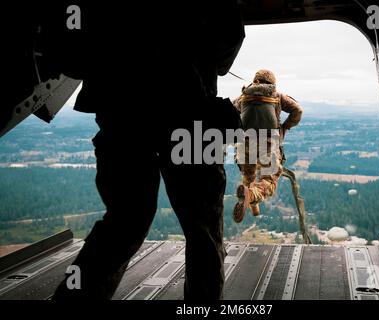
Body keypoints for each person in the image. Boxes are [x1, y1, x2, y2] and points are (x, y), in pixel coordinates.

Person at [52, 1, 245, 300]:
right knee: (203, 228)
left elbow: (70, 55)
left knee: (124, 222)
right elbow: (230, 36)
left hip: (123, 116)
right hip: (191, 118)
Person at [232, 69, 303, 223]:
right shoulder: (277, 95)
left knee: (248, 176)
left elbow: (230, 112)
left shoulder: (244, 96)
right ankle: (251, 196)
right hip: (269, 144)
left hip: (245, 145)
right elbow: (298, 110)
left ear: (255, 80)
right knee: (268, 182)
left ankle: (252, 203)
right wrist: (285, 127)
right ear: (272, 83)